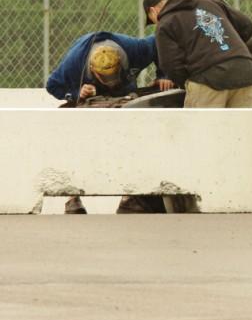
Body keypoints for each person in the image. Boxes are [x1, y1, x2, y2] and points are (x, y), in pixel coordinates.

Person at [46, 31, 174, 214]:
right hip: (93, 100)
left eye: (114, 76)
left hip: (125, 98)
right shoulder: (75, 61)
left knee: (132, 141)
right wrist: (77, 92)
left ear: (122, 62)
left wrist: (164, 75)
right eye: (106, 79)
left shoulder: (135, 48)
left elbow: (160, 42)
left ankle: (131, 197)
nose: (111, 83)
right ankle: (72, 198)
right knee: (78, 143)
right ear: (92, 69)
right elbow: (53, 85)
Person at [143, 0, 252, 108]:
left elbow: (170, 65)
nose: (156, 23)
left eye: (152, 20)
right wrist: (228, 49)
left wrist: (188, 82)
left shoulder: (165, 23)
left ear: (153, 11)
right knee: (245, 126)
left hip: (207, 80)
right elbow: (247, 25)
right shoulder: (209, 3)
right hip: (246, 71)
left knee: (203, 127)